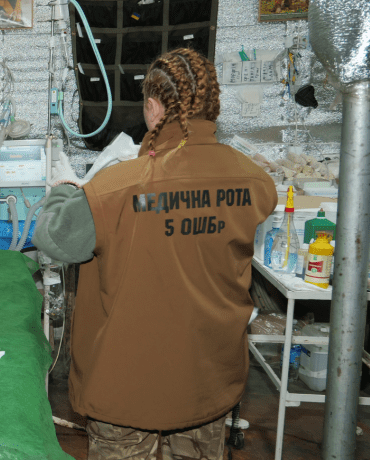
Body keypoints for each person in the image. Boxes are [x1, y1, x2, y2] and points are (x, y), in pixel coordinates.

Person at [34, 48, 278, 459]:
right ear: (213, 106)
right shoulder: (254, 181)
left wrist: (62, 192)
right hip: (209, 381)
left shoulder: (120, 186)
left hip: (127, 387)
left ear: (152, 108)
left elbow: (53, 237)